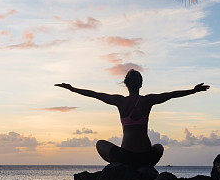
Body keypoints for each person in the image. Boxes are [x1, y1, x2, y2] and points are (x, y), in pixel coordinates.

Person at [55, 70, 209, 167]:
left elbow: (94, 94)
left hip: (125, 157)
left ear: (126, 84)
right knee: (159, 147)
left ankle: (119, 168)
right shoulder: (148, 100)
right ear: (141, 84)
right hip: (146, 157)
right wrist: (193, 91)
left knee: (100, 144)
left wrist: (72, 89)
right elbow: (171, 95)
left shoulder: (120, 101)